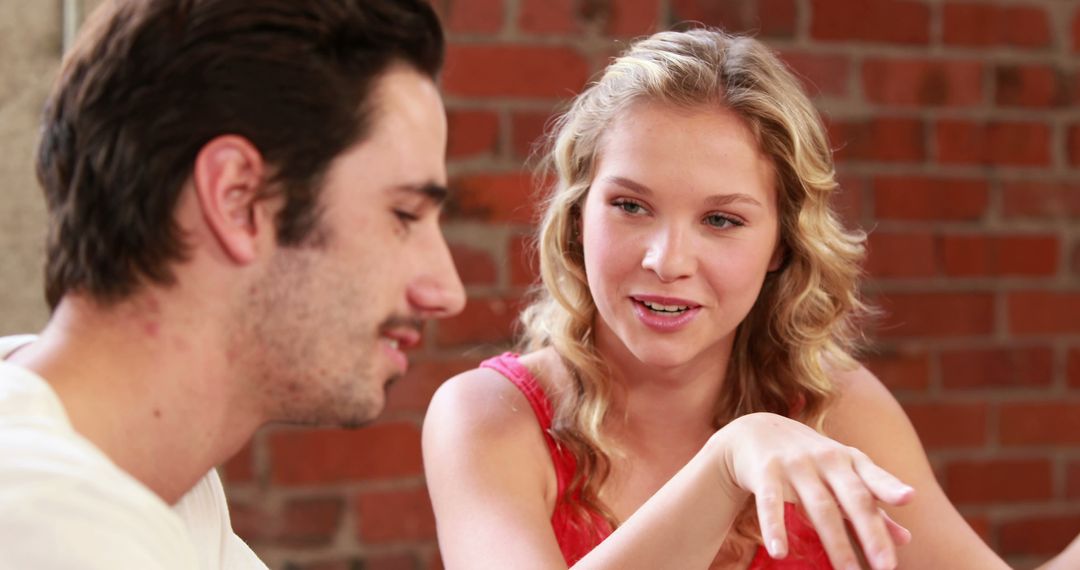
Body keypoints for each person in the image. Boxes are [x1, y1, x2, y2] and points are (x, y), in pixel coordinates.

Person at [423, 28, 1075, 570]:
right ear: (575, 217)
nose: (666, 261)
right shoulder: (488, 419)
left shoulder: (833, 408)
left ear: (781, 246)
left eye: (722, 220)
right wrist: (729, 462)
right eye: (629, 206)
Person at [0, 1, 464, 568]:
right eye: (405, 215)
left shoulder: (153, 480)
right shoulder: (52, 526)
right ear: (238, 199)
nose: (446, 291)